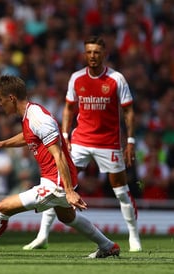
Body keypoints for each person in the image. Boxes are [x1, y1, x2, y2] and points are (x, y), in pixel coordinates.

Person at [0, 75, 120, 258]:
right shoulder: (30, 115)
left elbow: (59, 155)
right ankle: (107, 245)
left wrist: (69, 190)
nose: (0, 104)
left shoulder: (39, 119)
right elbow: (28, 137)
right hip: (57, 179)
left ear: (12, 98)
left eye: (1, 99)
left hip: (56, 183)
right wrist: (0, 144)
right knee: (67, 217)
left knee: (2, 207)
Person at [23, 36, 142, 252]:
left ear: (104, 53)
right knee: (57, 186)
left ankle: (134, 236)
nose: (92, 56)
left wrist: (131, 140)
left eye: (96, 52)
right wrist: (66, 135)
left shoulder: (117, 79)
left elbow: (129, 111)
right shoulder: (76, 78)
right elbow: (69, 108)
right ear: (84, 53)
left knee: (121, 191)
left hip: (109, 143)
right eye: (89, 52)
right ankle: (43, 236)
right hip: (80, 141)